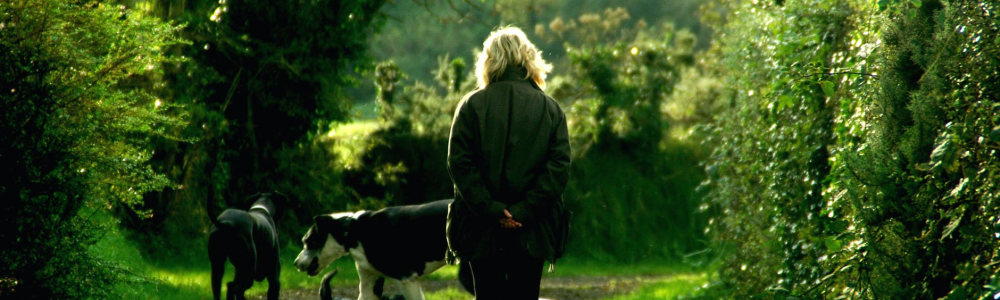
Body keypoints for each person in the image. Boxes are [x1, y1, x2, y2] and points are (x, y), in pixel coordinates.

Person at [445, 26, 571, 300]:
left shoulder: (470, 106)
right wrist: (523, 211)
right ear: (529, 59)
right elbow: (558, 168)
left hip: (481, 229)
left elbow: (460, 165)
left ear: (488, 60)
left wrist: (493, 209)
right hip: (533, 231)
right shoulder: (550, 109)